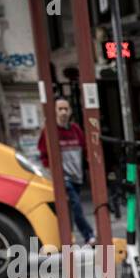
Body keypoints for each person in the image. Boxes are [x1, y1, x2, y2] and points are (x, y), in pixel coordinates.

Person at [37, 97, 94, 244]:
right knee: (75, 206)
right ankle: (89, 235)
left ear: (70, 111)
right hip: (63, 177)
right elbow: (43, 154)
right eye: (60, 109)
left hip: (77, 176)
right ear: (54, 111)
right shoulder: (49, 131)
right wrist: (52, 172)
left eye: (65, 109)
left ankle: (67, 237)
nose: (63, 112)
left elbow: (86, 148)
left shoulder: (75, 129)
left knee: (70, 209)